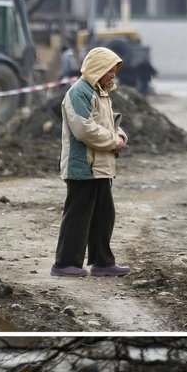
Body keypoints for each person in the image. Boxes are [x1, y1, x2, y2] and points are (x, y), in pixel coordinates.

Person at [51, 46, 130, 278]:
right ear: (97, 69)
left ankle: (102, 263)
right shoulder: (79, 92)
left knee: (103, 216)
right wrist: (114, 141)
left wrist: (120, 135)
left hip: (99, 167)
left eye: (115, 70)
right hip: (83, 166)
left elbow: (107, 124)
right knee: (78, 216)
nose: (113, 75)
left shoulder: (99, 93)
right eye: (109, 70)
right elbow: (83, 129)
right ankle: (65, 263)